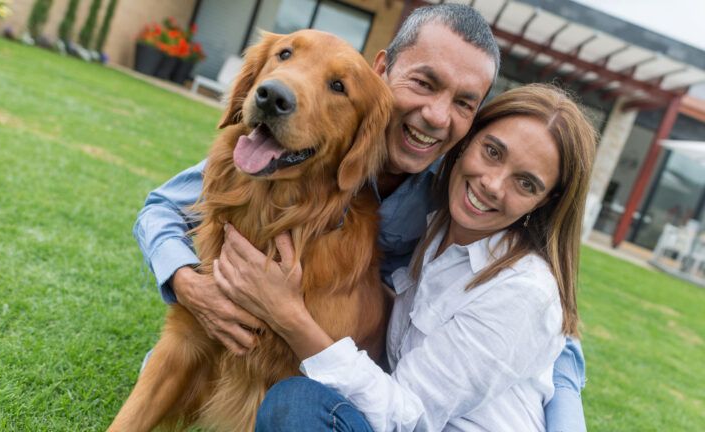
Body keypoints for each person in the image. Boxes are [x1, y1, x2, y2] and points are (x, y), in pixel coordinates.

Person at [133, 4, 586, 430]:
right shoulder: (274, 154)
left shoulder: (458, 193)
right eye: (425, 83)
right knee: (167, 361)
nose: (435, 116)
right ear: (382, 69)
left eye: (464, 102)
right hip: (377, 380)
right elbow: (162, 208)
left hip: (384, 388)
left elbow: (547, 337)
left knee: (297, 402)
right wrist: (189, 286)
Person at [214, 83, 597, 431]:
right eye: (492, 152)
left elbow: (406, 417)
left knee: (299, 405)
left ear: (545, 202)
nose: (493, 185)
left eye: (526, 183)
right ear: (466, 141)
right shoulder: (432, 224)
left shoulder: (524, 291)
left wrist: (289, 316)